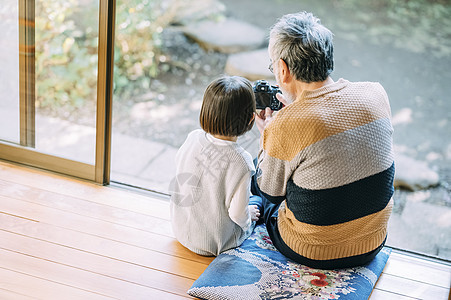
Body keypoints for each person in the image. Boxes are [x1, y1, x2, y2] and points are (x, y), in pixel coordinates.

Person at [252, 11, 395, 269]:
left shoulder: (288, 123)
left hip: (313, 249)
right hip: (373, 242)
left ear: (283, 70)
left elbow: (269, 191)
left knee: (260, 193)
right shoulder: (376, 92)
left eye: (273, 65)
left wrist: (268, 136)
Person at [170, 75, 262, 256]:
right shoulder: (242, 161)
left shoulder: (193, 137)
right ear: (251, 119)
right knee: (258, 202)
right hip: (215, 242)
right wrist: (249, 218)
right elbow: (238, 215)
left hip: (181, 230)